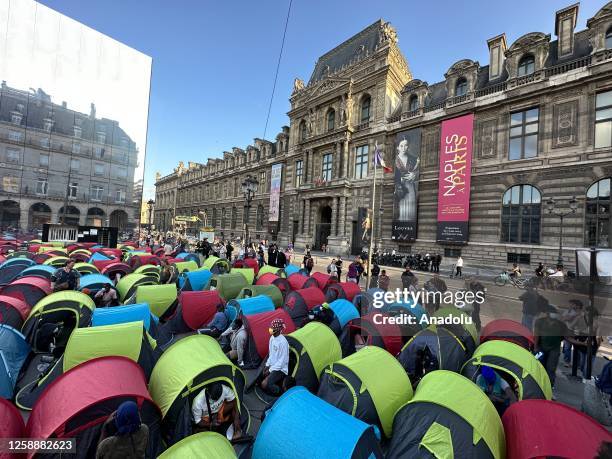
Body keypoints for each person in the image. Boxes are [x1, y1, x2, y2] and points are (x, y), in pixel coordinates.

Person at [534, 309, 568, 387]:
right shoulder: (540, 321)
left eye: (556, 313)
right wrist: (536, 347)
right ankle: (537, 384)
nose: (555, 314)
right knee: (538, 365)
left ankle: (549, 387)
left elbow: (566, 337)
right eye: (553, 312)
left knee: (551, 368)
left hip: (554, 349)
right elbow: (536, 335)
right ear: (547, 313)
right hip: (540, 348)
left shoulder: (561, 325)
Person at [261, 318, 289, 396]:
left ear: (278, 329)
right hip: (272, 365)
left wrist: (270, 370)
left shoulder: (283, 342)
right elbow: (271, 355)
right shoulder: (272, 338)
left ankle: (280, 392)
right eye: (271, 327)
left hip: (281, 369)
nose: (271, 329)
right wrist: (267, 365)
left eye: (273, 328)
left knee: (264, 384)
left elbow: (282, 362)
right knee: (261, 375)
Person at [394, 137, 419, 222]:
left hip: (410, 187)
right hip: (400, 188)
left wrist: (414, 174)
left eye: (406, 145)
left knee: (411, 210)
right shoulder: (395, 160)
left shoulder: (413, 158)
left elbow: (418, 171)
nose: (404, 148)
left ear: (408, 146)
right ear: (397, 147)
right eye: (401, 146)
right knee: (401, 209)